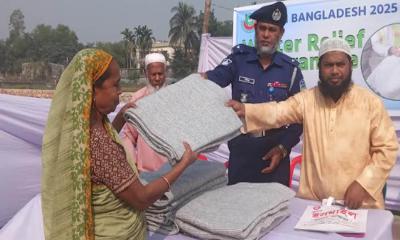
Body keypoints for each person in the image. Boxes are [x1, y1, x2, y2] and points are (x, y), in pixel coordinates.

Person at [41, 49, 198, 240]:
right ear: (92, 90)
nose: (120, 90)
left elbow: (110, 140)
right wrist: (183, 164)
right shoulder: (99, 143)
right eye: (115, 84)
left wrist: (121, 117)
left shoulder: (86, 130)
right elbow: (141, 199)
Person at [227, 38, 398, 209]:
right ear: (319, 67)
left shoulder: (370, 103)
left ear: (350, 66)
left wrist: (364, 184)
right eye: (328, 65)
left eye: (340, 64)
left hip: (359, 204)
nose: (335, 71)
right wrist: (247, 110)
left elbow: (387, 148)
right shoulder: (307, 100)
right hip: (315, 203)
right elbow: (278, 112)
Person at [203, 1, 304, 185]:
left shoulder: (291, 70)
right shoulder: (238, 60)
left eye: (272, 30)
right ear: (255, 30)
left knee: (276, 209)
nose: (266, 35)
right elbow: (211, 81)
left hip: (275, 151)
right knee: (238, 208)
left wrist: (283, 148)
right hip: (242, 149)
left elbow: (299, 118)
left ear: (280, 34)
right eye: (262, 28)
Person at [112, 52, 169, 172]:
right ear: (145, 73)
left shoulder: (175, 97)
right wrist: (133, 163)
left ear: (166, 72)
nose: (157, 78)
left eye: (160, 74)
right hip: (146, 171)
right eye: (153, 75)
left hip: (173, 168)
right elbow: (129, 136)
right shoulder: (137, 100)